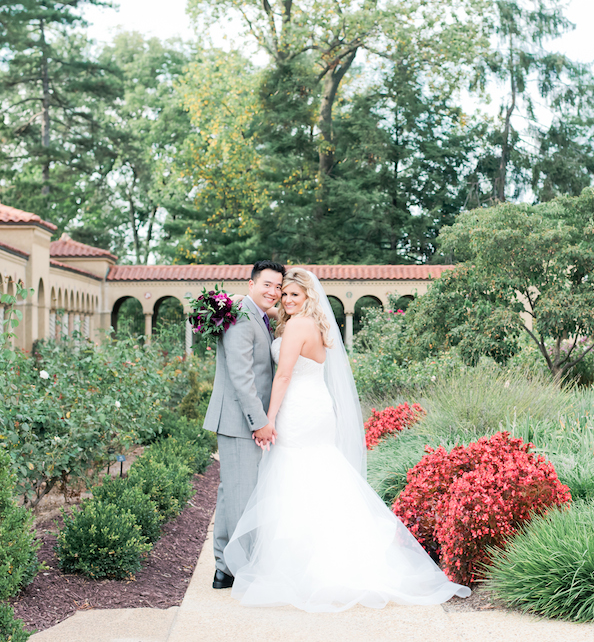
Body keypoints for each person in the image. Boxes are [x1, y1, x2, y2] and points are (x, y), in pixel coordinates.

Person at [223, 267, 471, 611]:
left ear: (308, 296)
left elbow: (282, 376)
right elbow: (264, 309)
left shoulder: (296, 325)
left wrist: (267, 419)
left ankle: (304, 567)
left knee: (296, 478)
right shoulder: (312, 322)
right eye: (285, 293)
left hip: (298, 408)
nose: (287, 299)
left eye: (295, 294)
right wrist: (238, 300)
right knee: (321, 476)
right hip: (316, 406)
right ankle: (329, 557)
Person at [202, 260, 286, 589]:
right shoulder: (240, 316)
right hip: (240, 421)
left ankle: (225, 568)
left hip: (240, 420)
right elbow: (241, 375)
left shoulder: (254, 314)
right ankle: (238, 570)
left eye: (278, 287)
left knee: (231, 495)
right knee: (241, 497)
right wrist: (259, 421)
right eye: (267, 284)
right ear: (250, 284)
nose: (273, 291)